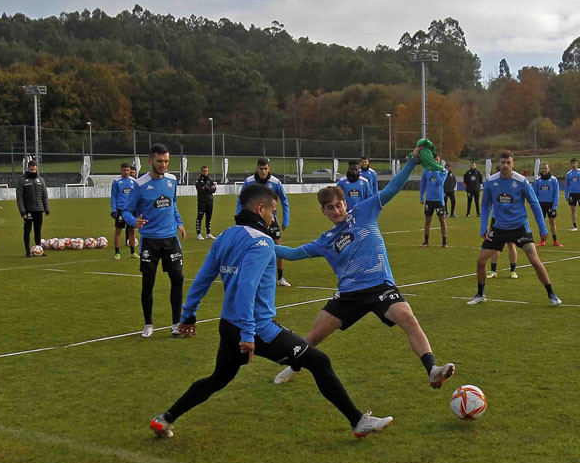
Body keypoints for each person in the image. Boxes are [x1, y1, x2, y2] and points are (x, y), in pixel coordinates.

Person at [149, 184, 393, 440]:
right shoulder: (262, 242)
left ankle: (164, 418)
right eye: (273, 212)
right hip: (257, 329)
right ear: (260, 208)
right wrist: (248, 334)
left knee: (218, 379)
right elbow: (246, 287)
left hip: (229, 325)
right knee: (319, 362)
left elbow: (202, 278)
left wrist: (189, 314)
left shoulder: (225, 236)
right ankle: (358, 421)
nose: (274, 218)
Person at [271, 148, 456, 389]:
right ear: (323, 211)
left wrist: (412, 162)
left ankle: (432, 369)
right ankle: (295, 367)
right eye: (330, 208)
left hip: (380, 286)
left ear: (345, 203)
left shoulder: (364, 211)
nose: (336, 211)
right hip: (349, 294)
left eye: (339, 205)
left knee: (408, 318)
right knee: (312, 339)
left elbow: (392, 189)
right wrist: (258, 243)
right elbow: (293, 254)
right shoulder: (325, 240)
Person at [467, 151, 560, 306]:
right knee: (481, 260)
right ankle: (480, 294)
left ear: (513, 164)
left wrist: (543, 229)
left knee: (534, 259)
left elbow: (535, 204)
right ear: (499, 164)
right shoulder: (491, 181)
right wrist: (483, 227)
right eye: (503, 163)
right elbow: (485, 205)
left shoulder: (522, 181)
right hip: (499, 227)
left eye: (508, 163)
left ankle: (551, 294)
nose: (505, 166)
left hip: (519, 227)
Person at [122, 144, 185, 338]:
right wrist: (134, 222)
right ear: (150, 161)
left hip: (171, 239)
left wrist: (179, 222)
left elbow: (172, 203)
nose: (164, 165)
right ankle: (148, 323)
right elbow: (125, 211)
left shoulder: (172, 180)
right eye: (160, 161)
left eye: (166, 161)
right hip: (150, 241)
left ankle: (176, 323)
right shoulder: (139, 185)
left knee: (178, 278)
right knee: (148, 283)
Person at [236, 157, 291, 286]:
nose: (263, 171)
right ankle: (246, 274)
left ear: (269, 168)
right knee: (252, 246)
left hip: (271, 219)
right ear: (257, 168)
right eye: (261, 169)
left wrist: (286, 219)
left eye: (266, 169)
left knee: (277, 244)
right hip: (253, 220)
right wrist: (240, 216)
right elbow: (241, 199)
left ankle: (280, 277)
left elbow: (284, 200)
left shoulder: (275, 182)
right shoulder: (249, 182)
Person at [16, 160, 49, 257]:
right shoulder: (22, 180)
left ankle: (38, 249)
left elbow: (44, 195)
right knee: (27, 230)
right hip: (28, 210)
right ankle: (27, 251)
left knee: (38, 230)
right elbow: (19, 197)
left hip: (39, 209)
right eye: (31, 169)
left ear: (36, 168)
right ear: (28, 168)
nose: (33, 171)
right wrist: (22, 211)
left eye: (34, 169)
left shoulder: (41, 180)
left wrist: (46, 208)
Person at [110, 162, 139, 260]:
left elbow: (136, 196)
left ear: (130, 171)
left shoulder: (134, 181)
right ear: (121, 170)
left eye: (128, 170)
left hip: (131, 210)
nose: (126, 172)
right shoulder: (116, 181)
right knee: (118, 230)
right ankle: (117, 252)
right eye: (124, 170)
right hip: (121, 209)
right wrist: (113, 209)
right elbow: (113, 196)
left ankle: (132, 252)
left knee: (131, 231)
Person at [419, 156, 448, 247]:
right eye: (433, 159)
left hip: (439, 200)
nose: (435, 161)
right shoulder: (426, 170)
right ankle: (426, 241)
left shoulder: (443, 171)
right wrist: (421, 197)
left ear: (439, 161)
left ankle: (444, 242)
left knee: (442, 220)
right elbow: (422, 184)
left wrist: (436, 172)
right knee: (427, 221)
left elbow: (439, 183)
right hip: (429, 200)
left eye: (437, 159)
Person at [533, 163, 562, 247]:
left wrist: (554, 206)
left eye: (545, 168)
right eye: (542, 168)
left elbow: (556, 194)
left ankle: (555, 240)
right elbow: (534, 194)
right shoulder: (538, 180)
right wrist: (536, 205)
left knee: (552, 222)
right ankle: (542, 240)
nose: (544, 170)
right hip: (541, 204)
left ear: (549, 169)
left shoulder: (553, 180)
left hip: (550, 204)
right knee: (541, 222)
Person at [194, 165, 217, 240]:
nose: (205, 172)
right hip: (202, 201)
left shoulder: (210, 180)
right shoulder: (199, 181)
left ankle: (208, 233)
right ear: (201, 171)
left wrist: (206, 188)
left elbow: (213, 190)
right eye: (204, 171)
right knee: (200, 217)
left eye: (206, 171)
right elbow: (201, 190)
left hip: (210, 201)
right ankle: (199, 234)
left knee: (209, 217)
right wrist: (208, 188)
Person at [564, 158, 580, 231]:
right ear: (571, 164)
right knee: (573, 210)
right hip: (572, 194)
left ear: (577, 163)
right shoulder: (569, 174)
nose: (574, 164)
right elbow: (567, 185)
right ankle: (575, 226)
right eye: (572, 163)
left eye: (575, 163)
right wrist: (566, 195)